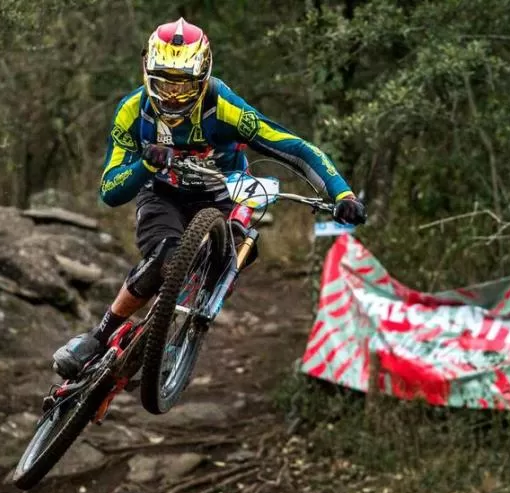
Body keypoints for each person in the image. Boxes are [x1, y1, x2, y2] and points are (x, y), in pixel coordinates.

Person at [52, 17, 367, 379]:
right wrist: (145, 164)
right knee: (164, 258)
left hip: (222, 194)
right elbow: (110, 191)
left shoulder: (224, 106)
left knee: (240, 246)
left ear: (202, 79)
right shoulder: (132, 111)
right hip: (162, 195)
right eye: (164, 83)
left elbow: (295, 148)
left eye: (183, 85)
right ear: (147, 73)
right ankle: (99, 336)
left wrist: (341, 193)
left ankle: (188, 329)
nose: (173, 95)